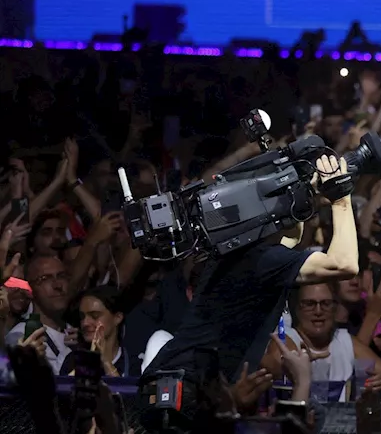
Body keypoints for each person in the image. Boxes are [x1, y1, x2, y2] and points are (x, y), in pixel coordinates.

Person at [144, 154, 361, 388]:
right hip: (179, 391)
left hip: (181, 385)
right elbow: (344, 263)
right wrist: (341, 197)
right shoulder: (264, 260)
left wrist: (314, 196)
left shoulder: (244, 252)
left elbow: (290, 241)